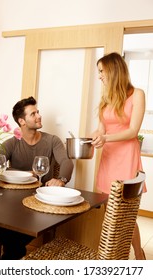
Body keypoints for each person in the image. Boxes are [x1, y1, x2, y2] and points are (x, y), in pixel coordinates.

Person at [0, 96, 74, 259]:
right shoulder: (11, 143)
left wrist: (61, 179)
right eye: (33, 114)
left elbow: (66, 162)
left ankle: (10, 256)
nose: (39, 116)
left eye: (38, 112)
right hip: (10, 202)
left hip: (38, 201)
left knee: (13, 245)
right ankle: (14, 253)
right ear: (22, 121)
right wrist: (28, 174)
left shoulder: (52, 140)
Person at [91, 52, 146, 260]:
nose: (99, 76)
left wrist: (105, 137)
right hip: (108, 158)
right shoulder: (106, 99)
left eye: (101, 71)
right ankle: (114, 256)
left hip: (126, 158)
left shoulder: (137, 95)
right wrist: (95, 137)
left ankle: (139, 255)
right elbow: (101, 129)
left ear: (113, 70)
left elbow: (133, 131)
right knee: (110, 212)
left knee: (126, 214)